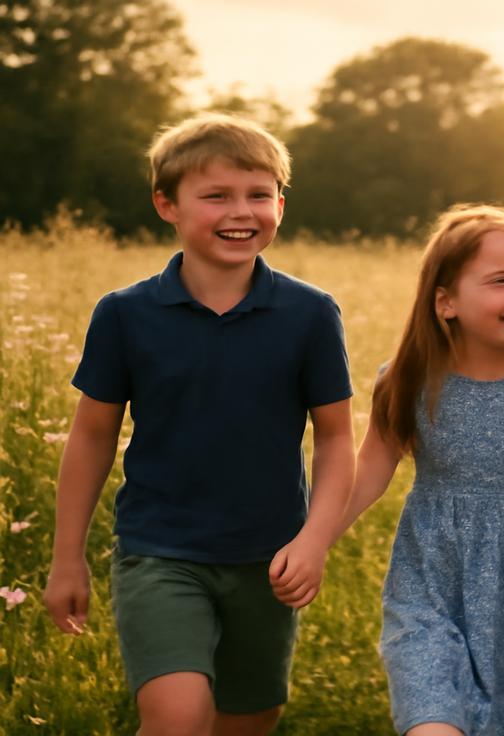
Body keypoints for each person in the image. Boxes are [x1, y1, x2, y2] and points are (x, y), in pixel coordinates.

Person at [42, 113, 356, 735]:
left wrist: (314, 540)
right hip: (159, 552)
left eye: (258, 195)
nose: (241, 211)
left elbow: (339, 437)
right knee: (178, 718)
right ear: (168, 204)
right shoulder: (125, 314)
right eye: (216, 196)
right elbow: (92, 435)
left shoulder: (310, 314)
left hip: (270, 561)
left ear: (280, 205)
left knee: (249, 719)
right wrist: (65, 559)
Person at [341, 204, 504, 735]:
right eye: (500, 281)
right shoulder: (408, 379)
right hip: (428, 586)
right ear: (446, 302)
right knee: (431, 718)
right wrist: (314, 535)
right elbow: (373, 463)